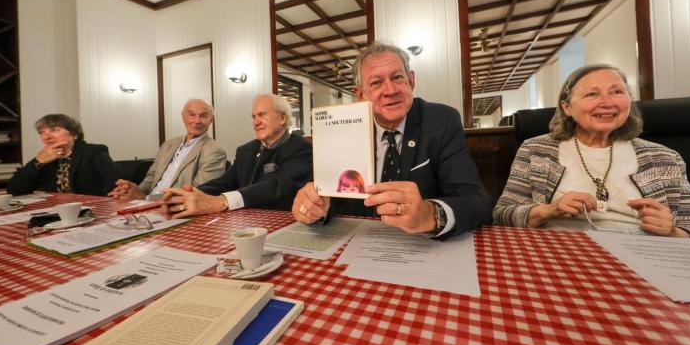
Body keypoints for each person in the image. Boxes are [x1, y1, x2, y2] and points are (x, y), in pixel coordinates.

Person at [291, 42, 491, 239]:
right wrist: (314, 208)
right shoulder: (342, 130)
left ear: (411, 81)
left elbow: (476, 200)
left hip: (424, 248)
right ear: (361, 94)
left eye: (397, 77)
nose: (390, 90)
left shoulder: (441, 121)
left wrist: (429, 214)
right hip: (360, 246)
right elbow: (334, 200)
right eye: (376, 82)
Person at [494, 64, 690, 238]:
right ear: (567, 107)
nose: (607, 102)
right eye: (592, 94)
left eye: (617, 92)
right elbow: (503, 215)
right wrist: (549, 210)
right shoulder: (535, 151)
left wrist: (672, 232)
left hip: (644, 252)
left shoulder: (665, 158)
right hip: (560, 251)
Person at [160, 94, 312, 217]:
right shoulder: (246, 150)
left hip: (279, 223)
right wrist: (194, 192)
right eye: (253, 117)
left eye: (262, 115)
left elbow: (277, 186)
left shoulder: (302, 148)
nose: (256, 122)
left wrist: (222, 201)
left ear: (283, 118)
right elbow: (225, 182)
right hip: (242, 222)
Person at [108, 99, 226, 200]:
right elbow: (151, 178)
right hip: (146, 204)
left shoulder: (214, 152)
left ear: (211, 120)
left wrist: (145, 198)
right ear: (183, 117)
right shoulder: (168, 145)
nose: (197, 121)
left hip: (174, 211)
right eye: (192, 115)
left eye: (203, 116)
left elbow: (197, 194)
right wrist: (131, 191)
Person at [8, 114, 122, 196]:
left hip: (87, 210)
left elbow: (116, 180)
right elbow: (14, 189)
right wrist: (37, 162)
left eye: (54, 130)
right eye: (42, 132)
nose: (46, 137)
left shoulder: (93, 151)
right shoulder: (45, 158)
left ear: (74, 134)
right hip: (53, 211)